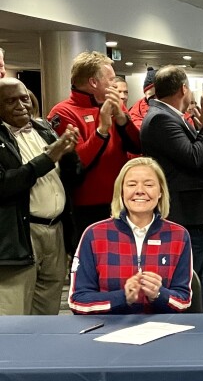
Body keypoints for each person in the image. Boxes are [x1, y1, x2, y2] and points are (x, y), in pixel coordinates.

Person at [140, 65, 203, 312]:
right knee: (193, 275)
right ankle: (197, 318)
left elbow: (200, 154)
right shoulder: (160, 118)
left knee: (200, 271)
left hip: (192, 211)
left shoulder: (170, 115)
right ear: (183, 89)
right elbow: (192, 157)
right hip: (183, 213)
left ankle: (201, 313)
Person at [69, 157, 192, 314]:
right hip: (107, 330)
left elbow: (184, 301)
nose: (140, 190)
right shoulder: (94, 234)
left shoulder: (179, 235)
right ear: (121, 191)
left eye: (148, 184)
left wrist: (159, 294)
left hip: (162, 330)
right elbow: (78, 301)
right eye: (132, 184)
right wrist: (123, 298)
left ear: (160, 191)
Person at [0, 78, 81, 315]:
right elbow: (4, 185)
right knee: (15, 316)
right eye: (10, 101)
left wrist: (69, 156)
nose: (21, 106)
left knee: (48, 314)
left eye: (24, 98)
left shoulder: (44, 129)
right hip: (21, 235)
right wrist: (48, 159)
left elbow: (73, 179)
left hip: (55, 230)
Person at [47, 51, 140, 239]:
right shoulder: (64, 112)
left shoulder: (115, 104)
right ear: (93, 82)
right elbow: (78, 162)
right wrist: (102, 130)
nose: (115, 84)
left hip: (122, 199)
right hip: (87, 207)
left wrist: (122, 120)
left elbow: (138, 146)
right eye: (111, 79)